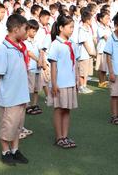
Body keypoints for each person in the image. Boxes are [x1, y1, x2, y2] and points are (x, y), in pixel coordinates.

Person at [0, 14, 30, 165]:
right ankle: (5, 151)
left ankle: (15, 150)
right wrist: (5, 85)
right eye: (24, 29)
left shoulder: (19, 47)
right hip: (10, 95)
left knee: (17, 125)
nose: (26, 32)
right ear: (15, 29)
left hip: (20, 94)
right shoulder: (4, 49)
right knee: (7, 125)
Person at [47, 16, 78, 148]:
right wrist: (54, 83)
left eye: (73, 27)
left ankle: (65, 136)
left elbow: (74, 64)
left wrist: (76, 80)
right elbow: (53, 66)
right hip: (60, 83)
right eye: (70, 27)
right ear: (61, 28)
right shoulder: (55, 44)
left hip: (70, 82)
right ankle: (59, 137)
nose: (72, 30)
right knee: (59, 109)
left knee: (67, 110)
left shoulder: (72, 44)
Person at [24, 19, 44, 116]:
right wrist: (38, 60)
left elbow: (41, 50)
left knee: (36, 88)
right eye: (33, 30)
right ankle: (27, 105)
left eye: (36, 31)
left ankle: (34, 104)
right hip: (30, 67)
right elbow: (29, 53)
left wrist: (41, 60)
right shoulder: (25, 41)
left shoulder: (37, 40)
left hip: (38, 68)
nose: (35, 33)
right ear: (27, 30)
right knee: (29, 88)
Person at [77, 10, 95, 94]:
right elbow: (84, 42)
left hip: (88, 54)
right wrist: (90, 52)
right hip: (84, 54)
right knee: (82, 72)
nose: (92, 21)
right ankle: (81, 86)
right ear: (87, 20)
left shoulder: (89, 29)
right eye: (91, 20)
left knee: (86, 71)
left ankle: (84, 85)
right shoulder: (81, 29)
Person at [96, 10, 111, 89]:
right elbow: (106, 38)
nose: (107, 20)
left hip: (106, 50)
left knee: (105, 67)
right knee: (101, 67)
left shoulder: (108, 27)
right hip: (101, 50)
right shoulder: (100, 28)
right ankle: (101, 82)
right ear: (101, 19)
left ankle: (104, 81)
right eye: (106, 19)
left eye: (108, 19)